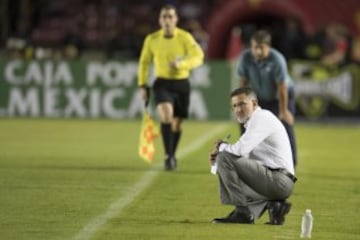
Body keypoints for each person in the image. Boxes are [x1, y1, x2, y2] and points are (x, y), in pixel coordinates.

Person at [209, 87, 296, 225]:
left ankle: (243, 213)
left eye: (242, 104)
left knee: (225, 157)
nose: (238, 109)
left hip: (279, 181)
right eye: (235, 106)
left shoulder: (261, 118)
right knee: (227, 162)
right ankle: (275, 206)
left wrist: (221, 148)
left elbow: (240, 151)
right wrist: (216, 162)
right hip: (275, 181)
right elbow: (243, 161)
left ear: (254, 104)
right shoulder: (253, 123)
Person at [137, 4, 204, 170]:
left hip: (181, 84)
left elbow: (199, 56)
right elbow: (144, 63)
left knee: (176, 125)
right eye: (164, 17)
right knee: (166, 117)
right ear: (160, 20)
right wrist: (142, 84)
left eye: (170, 17)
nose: (167, 20)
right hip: (162, 83)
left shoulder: (185, 37)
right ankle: (168, 157)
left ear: (176, 19)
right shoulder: (152, 39)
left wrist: (182, 64)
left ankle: (173, 153)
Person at [236, 30, 297, 167]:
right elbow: (243, 84)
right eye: (254, 47)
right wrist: (242, 107)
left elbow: (282, 87)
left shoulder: (277, 59)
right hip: (259, 96)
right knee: (245, 122)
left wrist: (283, 110)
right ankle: (246, 159)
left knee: (285, 124)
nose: (257, 51)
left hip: (279, 95)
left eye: (261, 47)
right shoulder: (245, 58)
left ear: (268, 47)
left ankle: (291, 163)